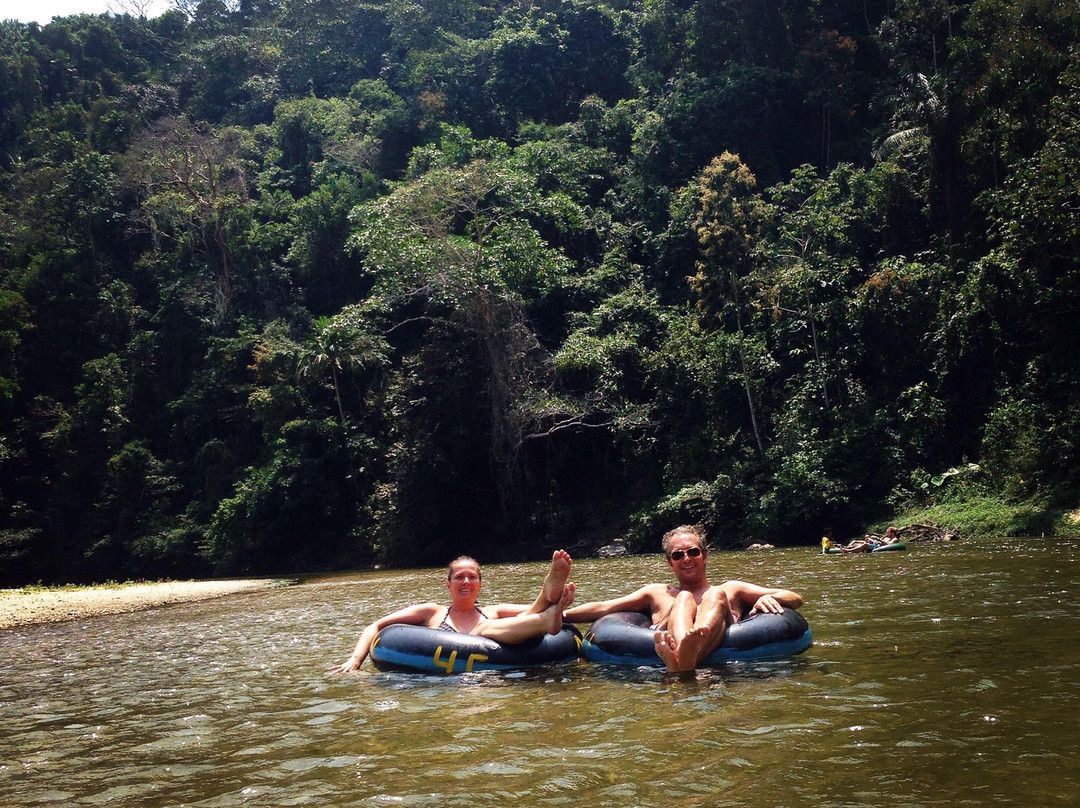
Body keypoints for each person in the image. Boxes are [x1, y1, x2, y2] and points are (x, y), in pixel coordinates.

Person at [563, 525, 803, 673]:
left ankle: (682, 662)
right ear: (670, 562)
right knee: (684, 598)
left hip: (705, 636)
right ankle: (685, 654)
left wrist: (768, 599)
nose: (686, 558)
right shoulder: (656, 592)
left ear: (705, 556)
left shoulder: (731, 589)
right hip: (672, 633)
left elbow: (795, 597)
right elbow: (605, 607)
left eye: (693, 552)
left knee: (715, 595)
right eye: (678, 555)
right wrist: (561, 613)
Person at [329, 550, 575, 673]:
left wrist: (555, 601)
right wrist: (355, 660)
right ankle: (545, 616)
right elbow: (376, 626)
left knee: (525, 614)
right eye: (459, 577)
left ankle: (547, 591)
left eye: (472, 577)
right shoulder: (431, 612)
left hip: (492, 682)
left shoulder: (493, 610)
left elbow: (551, 612)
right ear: (448, 585)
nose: (466, 582)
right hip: (447, 684)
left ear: (479, 584)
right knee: (486, 629)